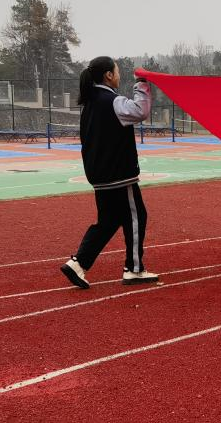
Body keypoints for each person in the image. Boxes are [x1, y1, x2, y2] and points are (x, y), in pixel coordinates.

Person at [61, 56, 160, 289]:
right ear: (108, 75)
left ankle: (78, 263)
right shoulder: (112, 101)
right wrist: (142, 84)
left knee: (108, 221)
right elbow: (140, 111)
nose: (119, 75)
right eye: (116, 71)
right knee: (137, 217)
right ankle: (134, 269)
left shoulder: (89, 104)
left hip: (100, 176)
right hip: (119, 175)